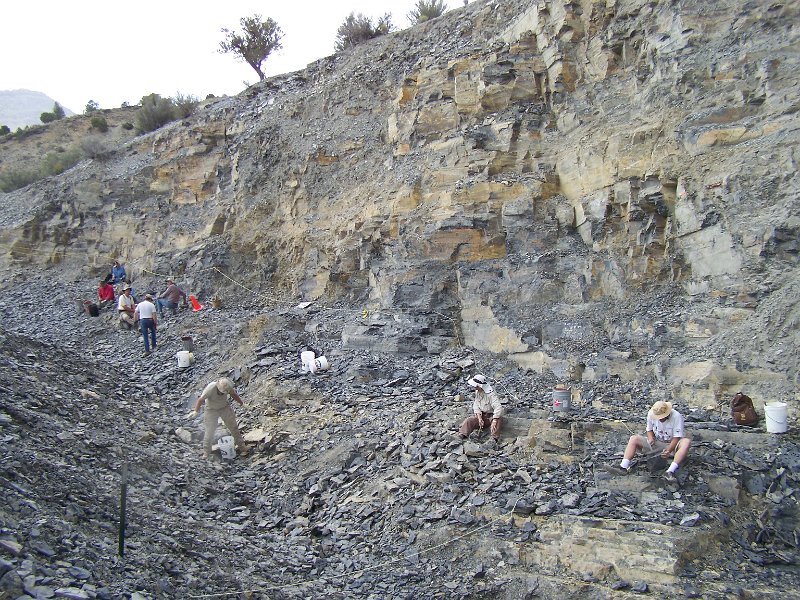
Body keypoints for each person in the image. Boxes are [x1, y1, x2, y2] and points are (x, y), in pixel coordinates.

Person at [617, 400, 692, 482]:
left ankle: (670, 471)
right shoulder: (651, 413)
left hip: (673, 445)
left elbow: (676, 437)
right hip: (658, 443)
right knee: (634, 439)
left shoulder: (676, 416)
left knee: (686, 442)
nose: (660, 419)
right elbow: (649, 429)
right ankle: (623, 467)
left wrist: (669, 450)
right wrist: (650, 438)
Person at [193, 378, 249, 460]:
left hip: (224, 407)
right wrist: (196, 411)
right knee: (209, 431)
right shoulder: (211, 388)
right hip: (211, 410)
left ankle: (242, 448)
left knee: (233, 427)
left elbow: (234, 395)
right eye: (222, 392)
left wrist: (242, 404)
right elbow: (200, 399)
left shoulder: (228, 387)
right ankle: (206, 452)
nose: (223, 393)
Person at [458, 374, 504, 442]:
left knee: (497, 421)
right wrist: (479, 418)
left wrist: (494, 420)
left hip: (492, 415)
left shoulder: (491, 394)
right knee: (469, 420)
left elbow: (498, 407)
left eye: (476, 386)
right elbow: (476, 405)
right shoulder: (477, 392)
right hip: (483, 415)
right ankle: (462, 435)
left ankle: (494, 439)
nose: (475, 388)